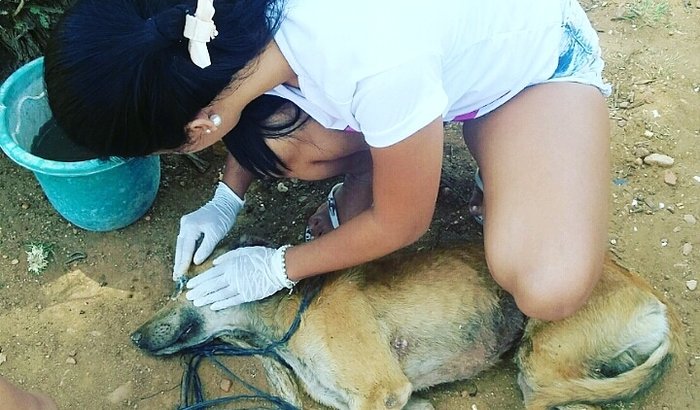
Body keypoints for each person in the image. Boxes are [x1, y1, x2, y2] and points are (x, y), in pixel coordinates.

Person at [45, 0, 611, 320]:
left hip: (530, 69)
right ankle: (409, 146)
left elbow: (403, 224)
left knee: (546, 285)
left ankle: (514, 152)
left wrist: (277, 267)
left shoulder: (374, 65)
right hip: (429, 58)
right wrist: (226, 198)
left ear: (196, 130)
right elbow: (227, 97)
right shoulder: (214, 23)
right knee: (281, 144)